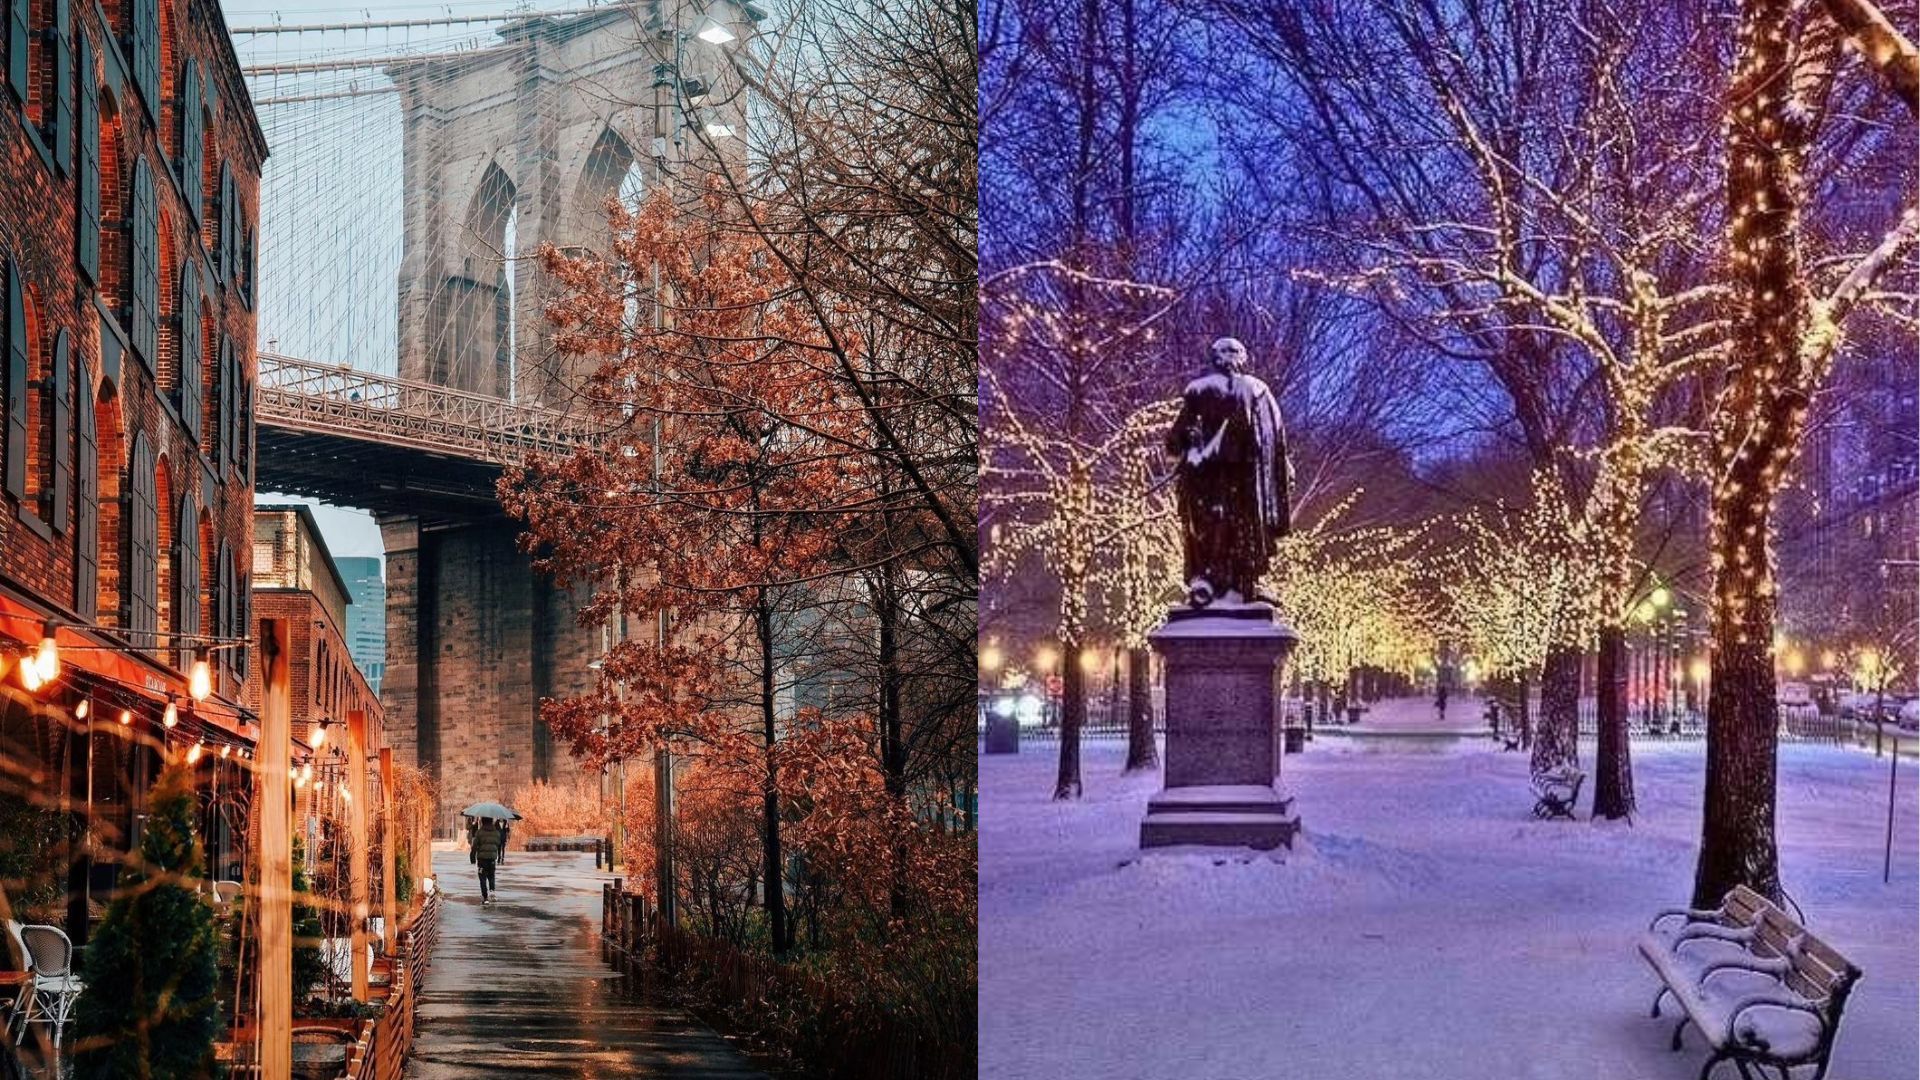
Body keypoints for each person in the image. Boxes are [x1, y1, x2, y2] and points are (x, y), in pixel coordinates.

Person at [470, 817, 506, 905]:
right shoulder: (496, 833)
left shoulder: (479, 832)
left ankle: (485, 898)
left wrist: (472, 857)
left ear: (482, 822)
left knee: (482, 878)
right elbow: (498, 843)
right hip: (492, 858)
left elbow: (474, 846)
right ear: (491, 821)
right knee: (491, 875)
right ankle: (492, 891)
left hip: (482, 859)